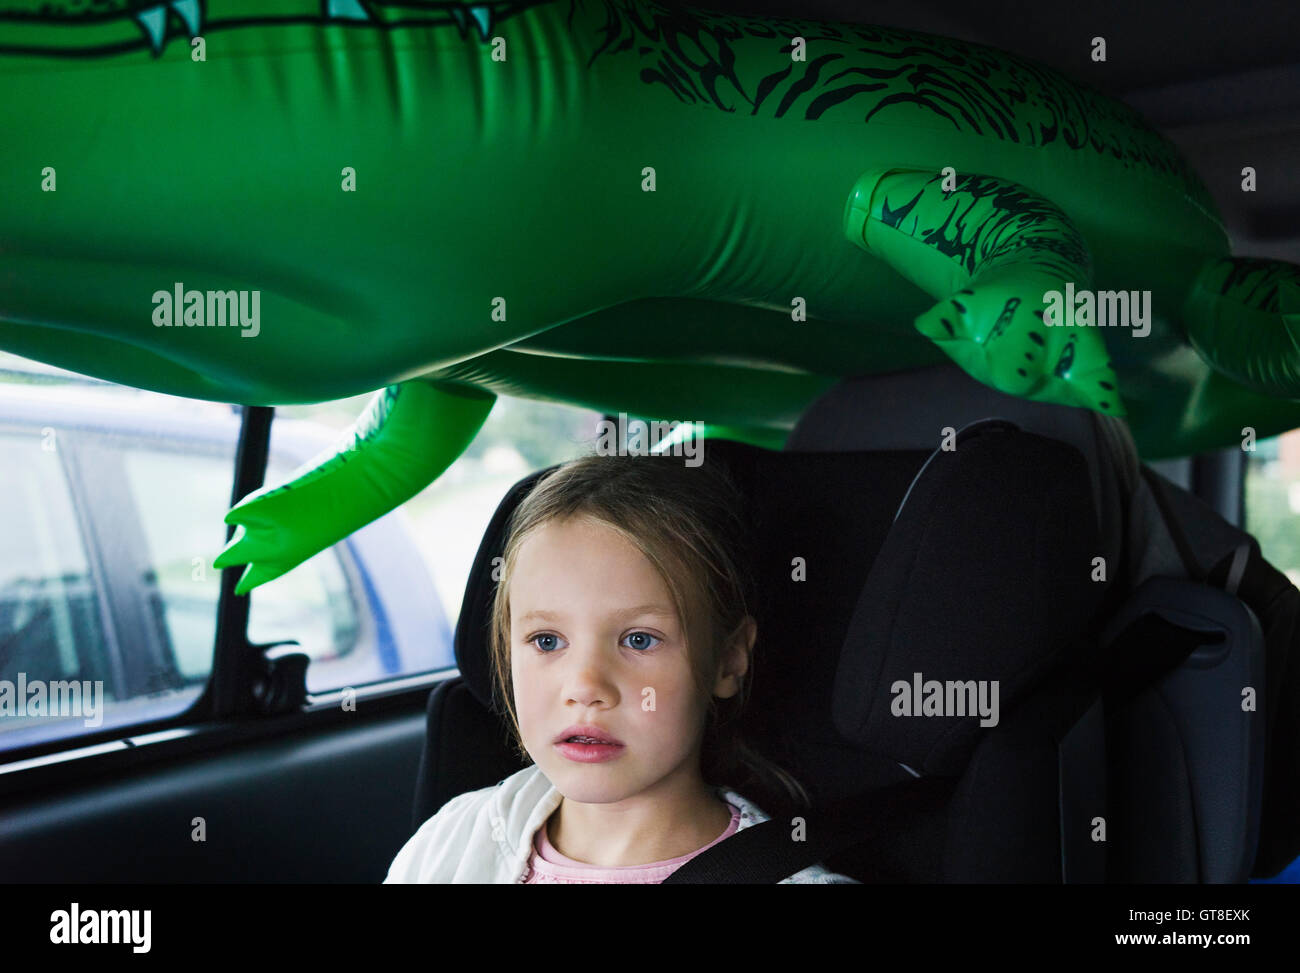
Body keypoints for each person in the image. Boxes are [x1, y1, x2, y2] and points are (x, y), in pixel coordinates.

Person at [385, 450, 858, 883]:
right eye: (546, 641)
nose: (585, 686)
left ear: (729, 658)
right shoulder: (450, 843)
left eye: (639, 640)